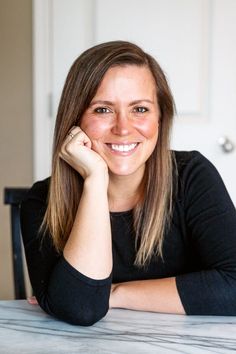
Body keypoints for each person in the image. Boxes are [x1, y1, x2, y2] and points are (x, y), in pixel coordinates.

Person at [20, 40, 236, 326]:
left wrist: (116, 293)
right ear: (75, 120)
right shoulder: (42, 201)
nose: (123, 128)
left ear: (161, 117)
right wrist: (95, 180)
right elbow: (81, 308)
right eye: (103, 110)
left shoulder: (191, 176)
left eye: (141, 109)